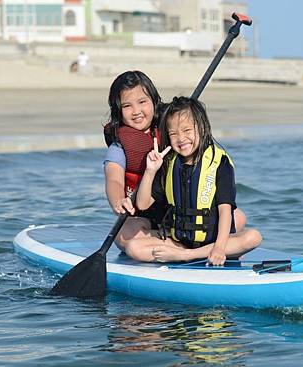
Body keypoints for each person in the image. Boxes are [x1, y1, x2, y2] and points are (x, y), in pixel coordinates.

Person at [103, 71, 246, 250]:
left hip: (180, 210)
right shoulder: (118, 147)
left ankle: (187, 242)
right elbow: (113, 179)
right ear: (118, 110)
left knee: (237, 216)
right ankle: (188, 245)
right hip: (146, 217)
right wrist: (118, 201)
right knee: (123, 235)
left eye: (142, 102)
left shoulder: (172, 128)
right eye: (127, 106)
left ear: (154, 102)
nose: (136, 111)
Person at [129, 96, 262, 265]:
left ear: (201, 128)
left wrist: (220, 247)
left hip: (214, 241)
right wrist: (150, 170)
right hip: (179, 242)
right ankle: (189, 253)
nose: (181, 138)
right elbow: (142, 204)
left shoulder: (219, 162)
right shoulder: (169, 163)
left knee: (253, 237)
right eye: (173, 134)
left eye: (187, 130)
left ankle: (187, 256)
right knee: (134, 247)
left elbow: (225, 210)